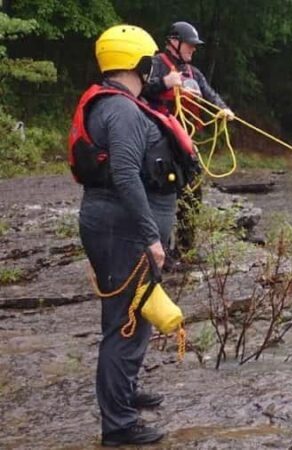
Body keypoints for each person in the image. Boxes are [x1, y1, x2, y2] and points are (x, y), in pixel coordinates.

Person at [69, 24, 197, 446]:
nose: (153, 67)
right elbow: (125, 174)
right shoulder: (121, 111)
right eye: (149, 61)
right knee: (125, 324)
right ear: (138, 62)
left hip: (118, 228)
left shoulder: (119, 104)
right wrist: (151, 237)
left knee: (133, 316)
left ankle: (124, 392)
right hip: (122, 230)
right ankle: (119, 425)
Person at [141, 21, 234, 262]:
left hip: (182, 143)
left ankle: (185, 250)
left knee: (192, 193)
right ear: (174, 42)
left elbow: (210, 94)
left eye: (194, 45)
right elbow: (140, 90)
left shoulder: (194, 73)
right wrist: (165, 83)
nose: (193, 49)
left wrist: (223, 109)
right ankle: (157, 250)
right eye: (190, 45)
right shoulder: (156, 65)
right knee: (162, 196)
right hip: (157, 142)